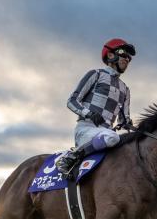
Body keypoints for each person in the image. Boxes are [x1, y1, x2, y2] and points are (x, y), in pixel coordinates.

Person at [56, 38, 135, 177]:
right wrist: (89, 113)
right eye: (123, 54)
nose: (127, 59)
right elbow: (72, 101)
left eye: (129, 57)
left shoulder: (125, 89)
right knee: (113, 138)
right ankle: (71, 157)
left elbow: (124, 119)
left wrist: (127, 123)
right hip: (86, 130)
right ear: (110, 55)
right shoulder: (96, 74)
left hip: (106, 133)